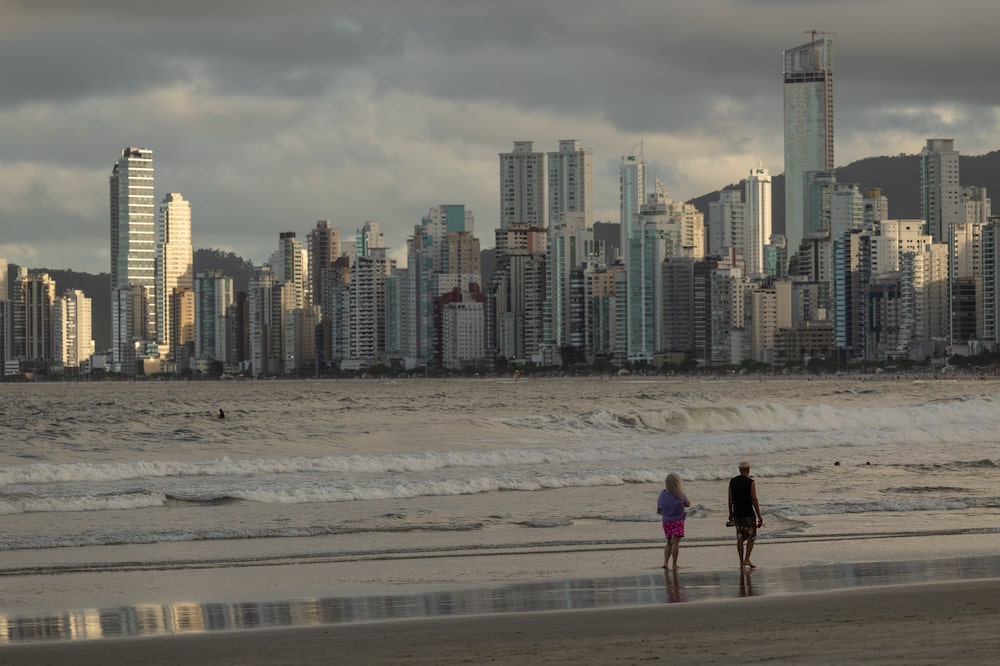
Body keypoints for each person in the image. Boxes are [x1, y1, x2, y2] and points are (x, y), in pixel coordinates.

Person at [728, 461, 763, 569]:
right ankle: (747, 558)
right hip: (748, 513)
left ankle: (741, 561)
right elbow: (754, 499)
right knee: (751, 537)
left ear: (739, 470)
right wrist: (759, 515)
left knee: (739, 537)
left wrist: (730, 514)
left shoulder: (732, 482)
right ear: (748, 470)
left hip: (737, 513)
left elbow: (730, 499)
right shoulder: (750, 482)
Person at [656, 472, 691, 570]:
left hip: (666, 521)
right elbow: (688, 504)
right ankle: (674, 564)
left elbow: (658, 510)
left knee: (668, 542)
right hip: (678, 521)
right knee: (675, 543)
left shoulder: (662, 494)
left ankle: (666, 562)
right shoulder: (680, 494)